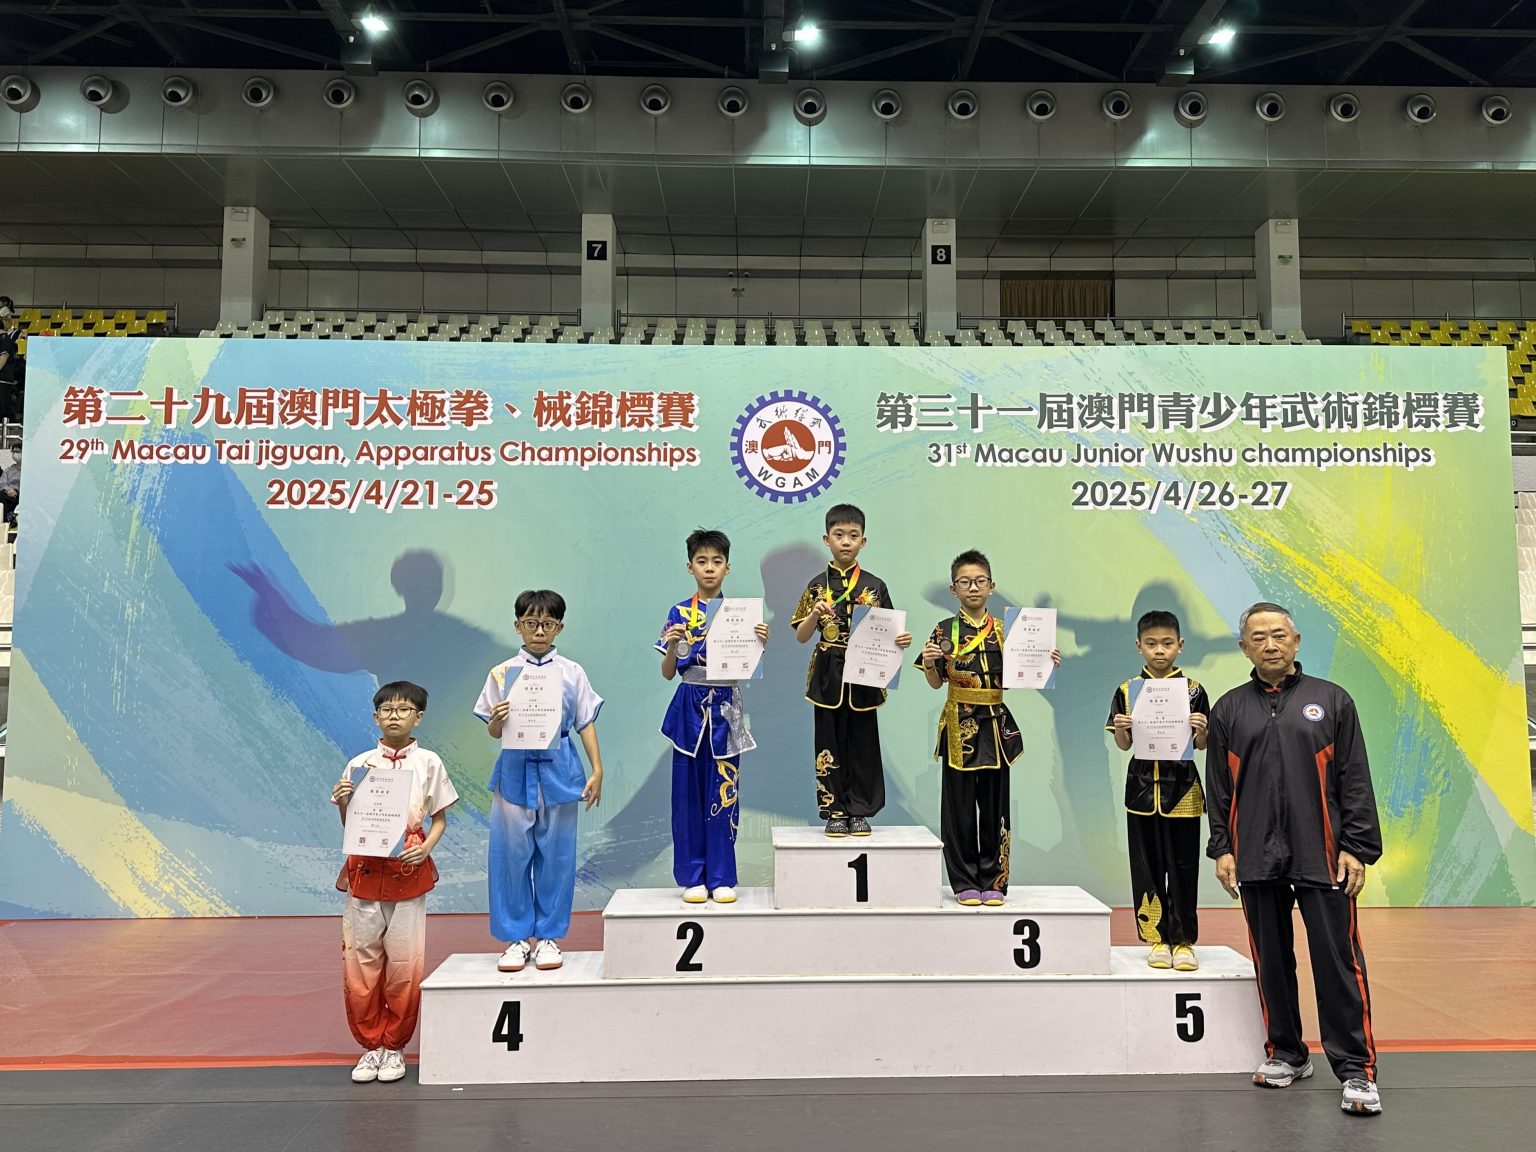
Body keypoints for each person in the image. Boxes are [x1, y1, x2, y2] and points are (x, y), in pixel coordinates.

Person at [1205, 602, 1383, 1117]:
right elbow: (1219, 788)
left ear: (1296, 641)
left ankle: (1356, 1069)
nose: (1270, 644)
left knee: (1337, 961)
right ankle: (1287, 1052)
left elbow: (1355, 778)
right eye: (1258, 637)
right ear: (1244, 648)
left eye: (1279, 634)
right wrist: (1222, 848)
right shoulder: (1229, 709)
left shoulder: (1332, 701)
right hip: (1255, 855)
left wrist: (1357, 847)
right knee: (1272, 960)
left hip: (1322, 854)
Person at [331, 681, 459, 1085]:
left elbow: (440, 818)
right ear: (375, 717)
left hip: (408, 872)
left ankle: (395, 1046)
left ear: (418, 717)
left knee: (404, 964)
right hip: (365, 872)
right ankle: (370, 1046)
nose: (394, 716)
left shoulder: (430, 763)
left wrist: (425, 849)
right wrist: (344, 802)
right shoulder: (358, 765)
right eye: (386, 710)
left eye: (404, 710)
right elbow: (351, 827)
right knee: (361, 963)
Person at [917, 549, 1059, 905]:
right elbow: (934, 683)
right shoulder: (943, 630)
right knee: (959, 809)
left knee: (996, 807)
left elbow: (1017, 678)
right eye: (965, 582)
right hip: (957, 724)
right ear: (953, 589)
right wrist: (932, 664)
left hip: (996, 725)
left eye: (980, 581)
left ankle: (994, 881)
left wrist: (1045, 662)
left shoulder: (1007, 630)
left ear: (992, 586)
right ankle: (964, 881)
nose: (973, 587)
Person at [475, 589, 604, 974]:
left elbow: (584, 722)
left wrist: (597, 769)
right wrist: (497, 720)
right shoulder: (501, 674)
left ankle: (549, 936)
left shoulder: (572, 672)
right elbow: (493, 731)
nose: (539, 631)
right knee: (510, 856)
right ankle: (515, 938)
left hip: (560, 769)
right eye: (531, 623)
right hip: (515, 770)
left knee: (558, 857)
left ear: (559, 627)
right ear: (518, 625)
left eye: (548, 623)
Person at [656, 528, 771, 904]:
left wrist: (758, 643)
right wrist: (673, 645)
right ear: (689, 567)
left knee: (724, 793)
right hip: (687, 710)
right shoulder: (678, 612)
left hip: (725, 709)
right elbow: (668, 672)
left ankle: (721, 876)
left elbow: (748, 670)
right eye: (702, 561)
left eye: (716, 562)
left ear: (727, 567)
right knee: (686, 798)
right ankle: (692, 877)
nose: (709, 568)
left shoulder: (740, 615)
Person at [791, 503, 911, 836]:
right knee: (827, 743)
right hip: (827, 674)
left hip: (865, 674)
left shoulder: (875, 585)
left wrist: (900, 640)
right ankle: (834, 810)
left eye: (853, 535)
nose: (846, 541)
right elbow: (801, 636)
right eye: (839, 534)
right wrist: (814, 615)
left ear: (863, 541)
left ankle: (860, 810)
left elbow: (890, 632)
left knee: (863, 744)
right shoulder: (816, 586)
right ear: (826, 539)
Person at [1105, 610, 1210, 970]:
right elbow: (1123, 745)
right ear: (1139, 646)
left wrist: (1201, 730)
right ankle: (1156, 940)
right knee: (1145, 865)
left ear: (1180, 646)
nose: (1160, 650)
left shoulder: (1194, 690)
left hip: (1183, 788)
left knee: (1184, 865)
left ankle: (1183, 941)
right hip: (1141, 788)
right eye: (1152, 644)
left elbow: (1202, 744)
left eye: (1167, 643)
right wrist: (1122, 728)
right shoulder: (1127, 691)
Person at [0, 298, 23, 425]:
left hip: (3, 378)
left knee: (4, 408)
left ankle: (12, 428)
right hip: (3, 378)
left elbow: (2, 358)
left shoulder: (4, 339)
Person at [0, 442, 18, 527]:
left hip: (20, 493)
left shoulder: (27, 470)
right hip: (7, 492)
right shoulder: (8, 470)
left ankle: (8, 522)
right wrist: (8, 490)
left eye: (18, 452)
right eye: (14, 452)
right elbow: (2, 483)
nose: (16, 454)